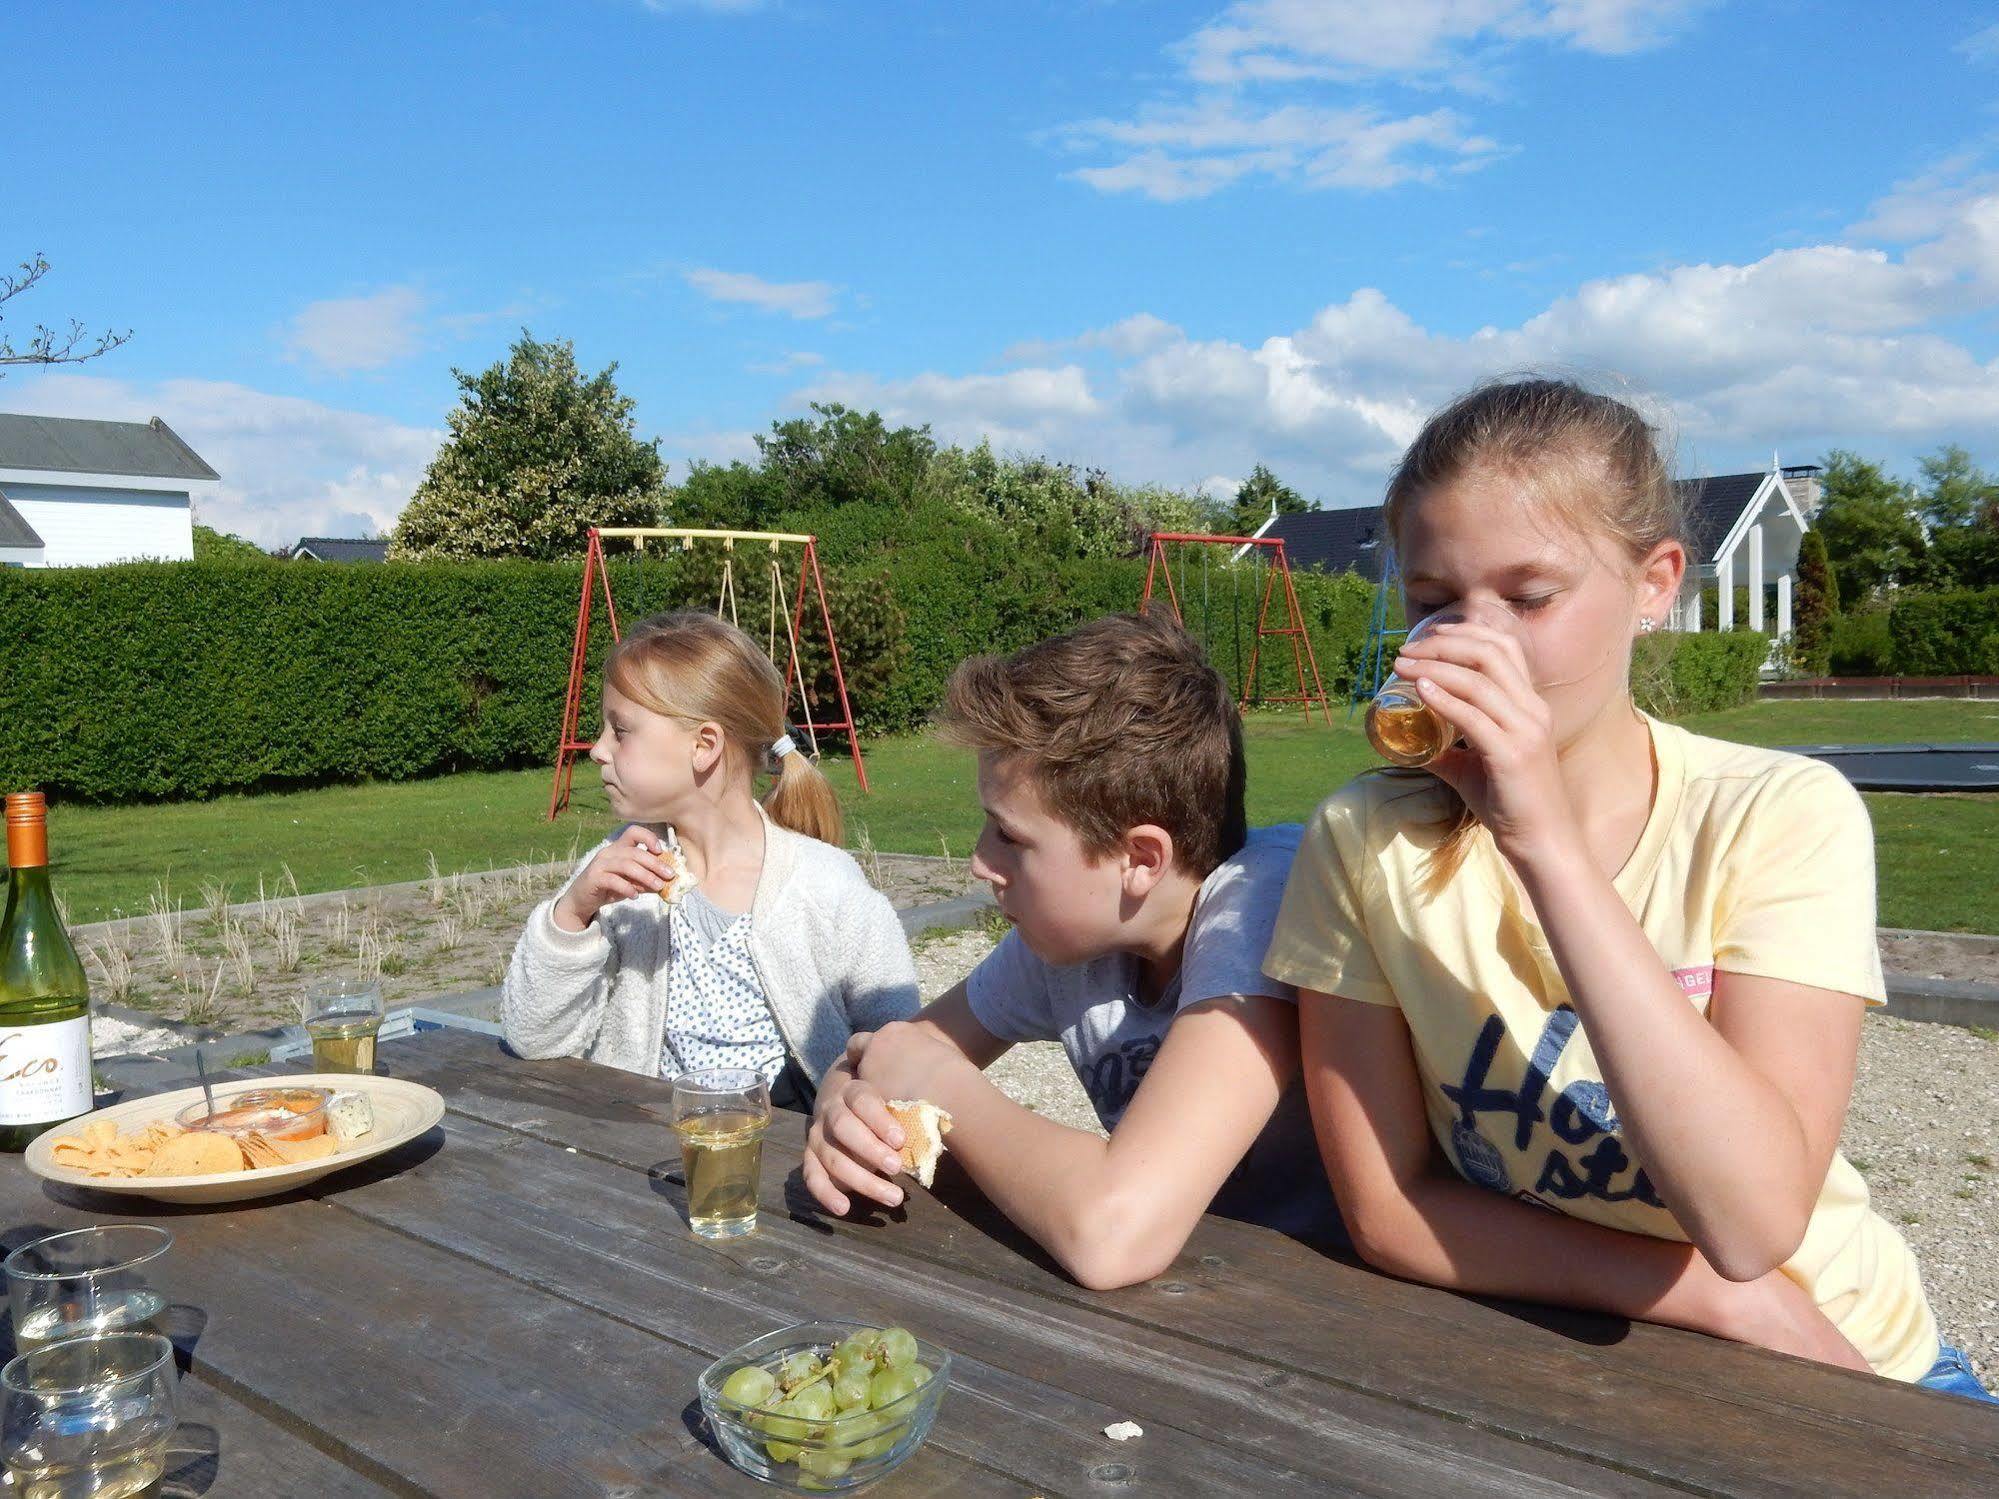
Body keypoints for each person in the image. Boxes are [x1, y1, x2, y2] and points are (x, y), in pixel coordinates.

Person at [1264, 376, 1993, 1401]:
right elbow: (1389, 1210)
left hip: (1843, 1362)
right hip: (1595, 1347)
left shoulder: (1777, 813)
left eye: (1528, 598)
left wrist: (1545, 848)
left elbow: (1750, 1225)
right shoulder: (1364, 834)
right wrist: (1705, 1296)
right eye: (1434, 604)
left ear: (1652, 585)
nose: (1475, 643)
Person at [803, 612, 1340, 1290]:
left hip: (1341, 1311)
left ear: (1139, 858)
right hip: (1198, 1290)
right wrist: (839, 1100)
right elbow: (892, 1053)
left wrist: (936, 1083)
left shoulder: (1260, 905)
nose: (978, 862)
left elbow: (1113, 1236)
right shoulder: (1074, 935)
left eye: (1009, 835)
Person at [503, 611, 918, 1111]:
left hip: (790, 1155)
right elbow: (534, 1040)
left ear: (704, 746)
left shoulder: (825, 886)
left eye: (620, 730)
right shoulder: (617, 878)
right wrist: (571, 916)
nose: (596, 750)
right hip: (637, 1152)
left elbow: (897, 1050)